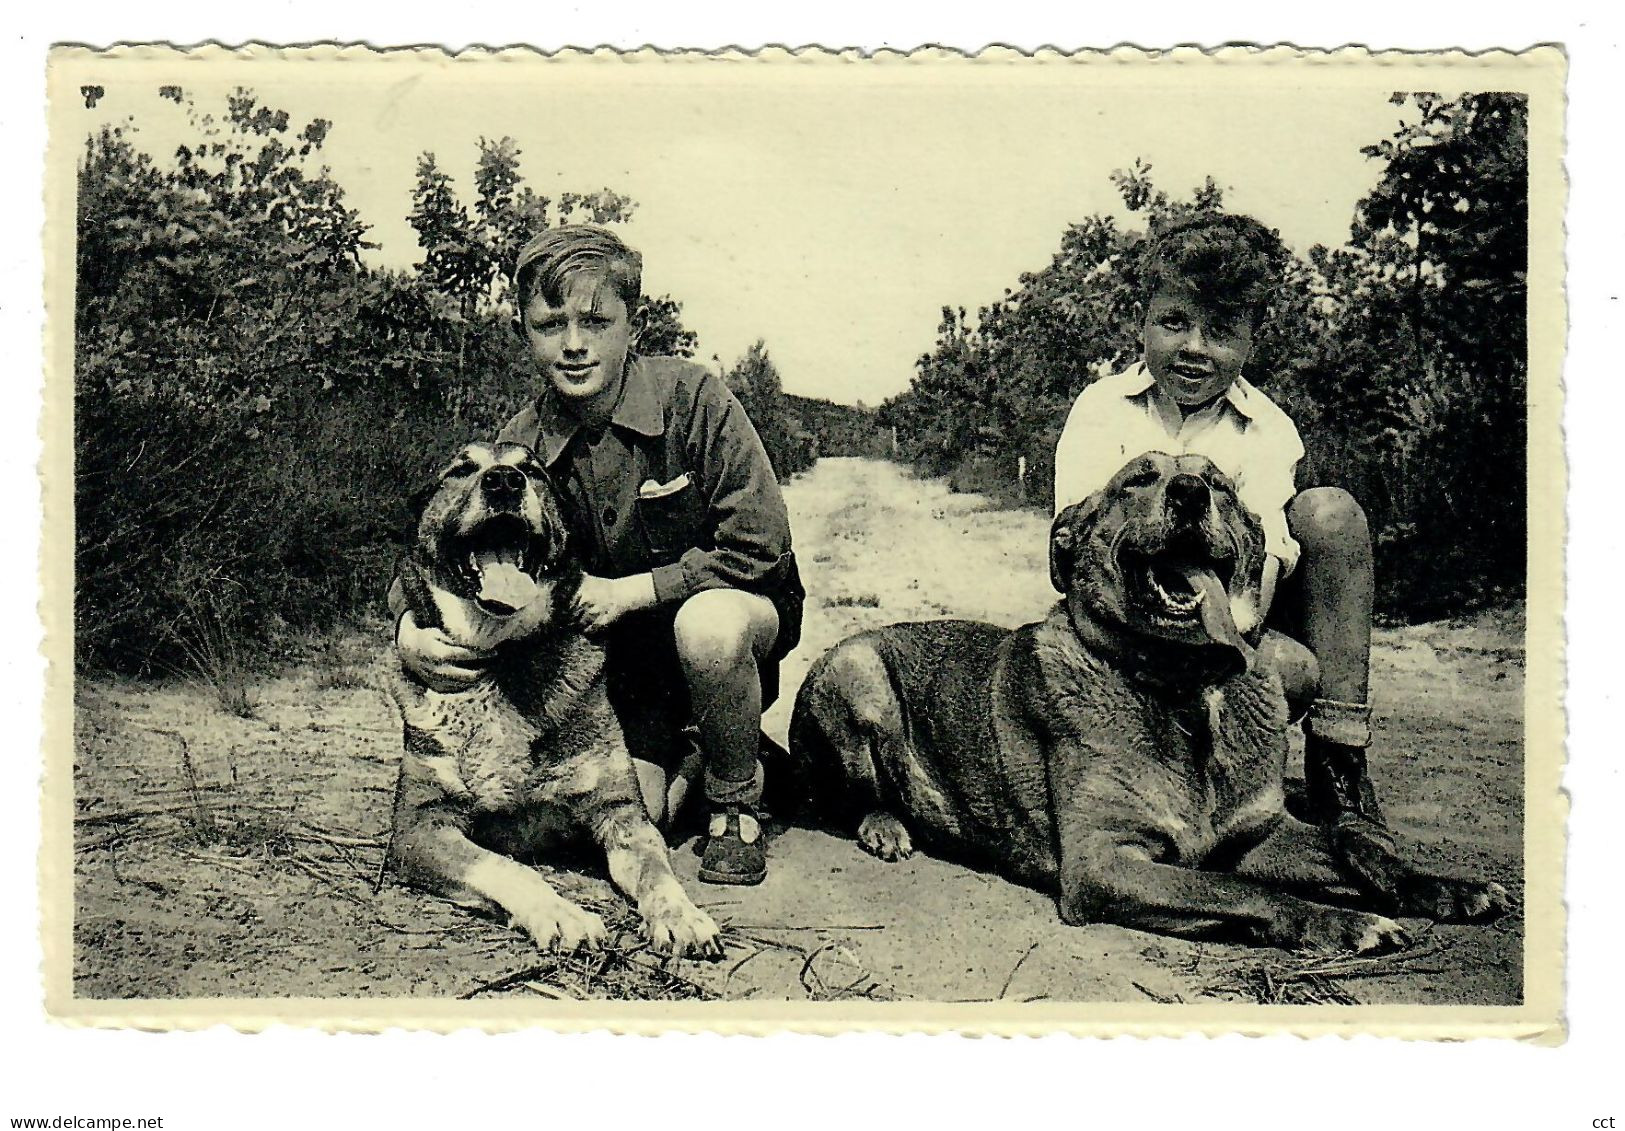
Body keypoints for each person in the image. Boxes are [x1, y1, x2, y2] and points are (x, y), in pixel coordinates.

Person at [394, 225, 804, 887]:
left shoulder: (695, 399)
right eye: (550, 323)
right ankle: (704, 749)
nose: (574, 343)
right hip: (622, 654)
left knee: (708, 629)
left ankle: (736, 800)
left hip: (730, 610)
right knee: (645, 814)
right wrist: (409, 630)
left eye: (595, 319)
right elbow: (446, 543)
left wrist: (632, 590)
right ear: (525, 332)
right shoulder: (520, 442)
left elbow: (759, 545)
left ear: (632, 324)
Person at [1052, 212, 1396, 856]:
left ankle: (1340, 771)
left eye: (1221, 332)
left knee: (1330, 522)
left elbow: (1263, 554)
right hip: (1126, 623)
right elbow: (1081, 540)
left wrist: (1224, 640)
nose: (1194, 349)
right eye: (1174, 322)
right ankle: (1147, 774)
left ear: (1251, 342)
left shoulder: (1266, 429)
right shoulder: (1101, 410)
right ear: (1143, 319)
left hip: (1228, 620)